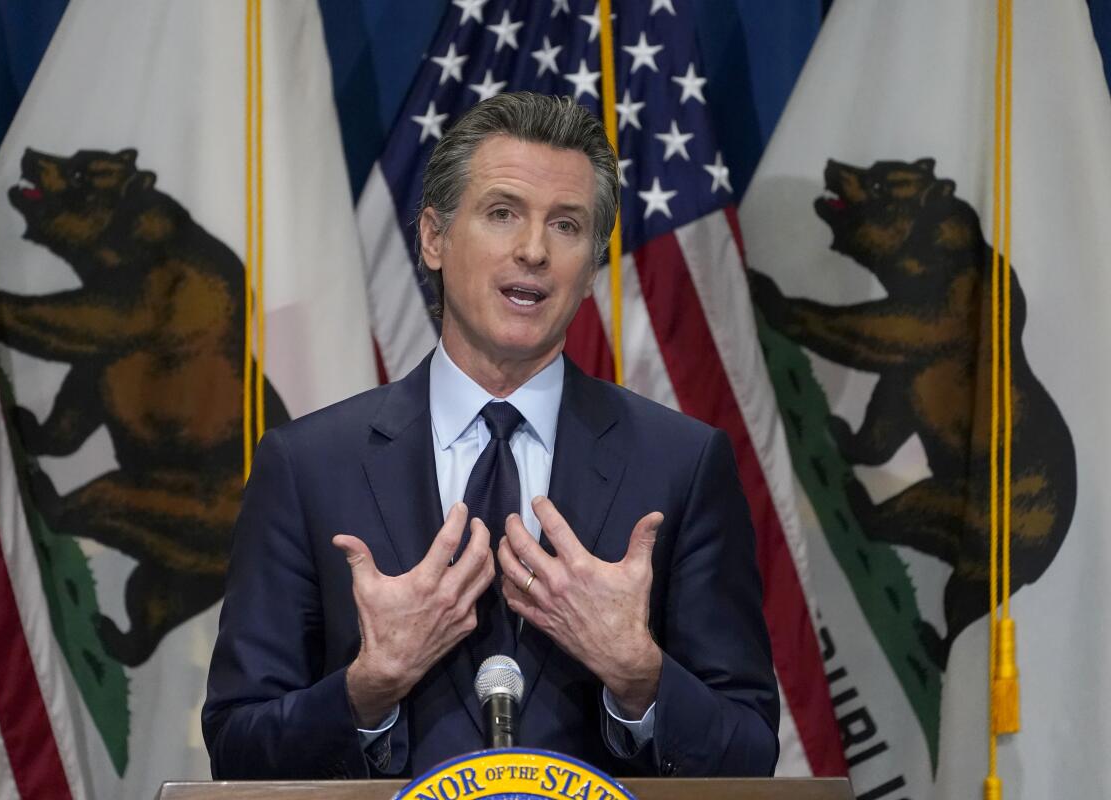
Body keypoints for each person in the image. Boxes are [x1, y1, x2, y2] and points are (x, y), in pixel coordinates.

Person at [202, 92, 778, 780]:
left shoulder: (680, 464)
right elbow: (237, 747)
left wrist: (638, 674)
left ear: (592, 264)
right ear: (434, 238)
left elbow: (749, 752)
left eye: (566, 226)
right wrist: (371, 685)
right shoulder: (308, 467)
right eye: (502, 214)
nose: (533, 250)